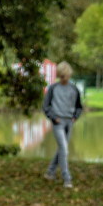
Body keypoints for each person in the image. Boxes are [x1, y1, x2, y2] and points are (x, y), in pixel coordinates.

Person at [42, 61, 83, 189]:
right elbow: (46, 106)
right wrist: (54, 118)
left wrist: (75, 117)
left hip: (69, 122)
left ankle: (50, 173)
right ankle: (67, 178)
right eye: (62, 76)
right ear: (59, 75)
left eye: (66, 76)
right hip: (58, 122)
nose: (64, 78)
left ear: (69, 75)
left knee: (62, 149)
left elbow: (79, 106)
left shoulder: (74, 89)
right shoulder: (53, 89)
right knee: (64, 149)